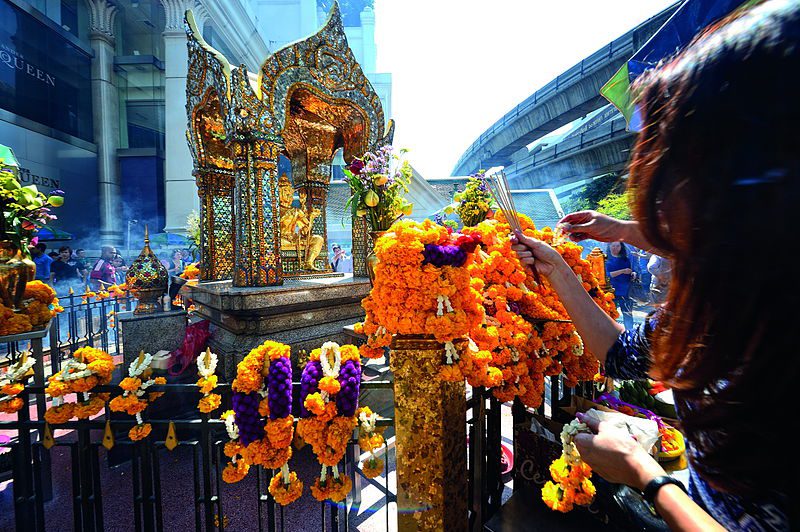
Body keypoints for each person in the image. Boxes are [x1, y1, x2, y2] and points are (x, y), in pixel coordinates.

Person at [512, 2, 797, 528]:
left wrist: (645, 474)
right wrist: (557, 269)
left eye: (684, 169)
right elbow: (622, 355)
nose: (662, 202)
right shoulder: (722, 296)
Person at [605, 241, 635, 329]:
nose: (615, 248)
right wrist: (622, 271)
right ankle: (611, 331)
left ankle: (629, 332)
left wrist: (633, 274)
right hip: (611, 291)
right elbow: (607, 275)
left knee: (627, 314)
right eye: (613, 246)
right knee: (610, 314)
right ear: (609, 246)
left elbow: (630, 271)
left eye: (617, 246)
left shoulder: (625, 259)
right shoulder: (605, 259)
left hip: (625, 291)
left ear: (621, 247)